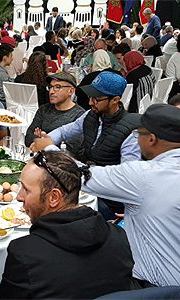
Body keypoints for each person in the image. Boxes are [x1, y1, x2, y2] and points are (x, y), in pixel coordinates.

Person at [81, 104, 180, 296]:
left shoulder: (142, 175)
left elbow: (76, 176)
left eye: (139, 134)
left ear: (151, 139)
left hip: (155, 289)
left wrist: (48, 149)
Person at [0, 151, 133, 299]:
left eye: (26, 190)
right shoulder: (118, 236)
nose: (19, 197)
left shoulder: (25, 254)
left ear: (54, 197)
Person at [30, 71, 140, 219]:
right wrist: (47, 138)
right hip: (85, 184)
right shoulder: (91, 115)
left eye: (96, 98)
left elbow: (125, 181)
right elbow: (64, 131)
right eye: (90, 96)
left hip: (108, 201)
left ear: (115, 100)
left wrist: (49, 147)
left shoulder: (130, 132)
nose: (90, 102)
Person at [25, 72, 85, 155]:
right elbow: (28, 138)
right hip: (39, 159)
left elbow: (71, 150)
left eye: (57, 87)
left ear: (70, 91)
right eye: (50, 87)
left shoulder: (79, 115)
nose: (51, 92)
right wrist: (48, 142)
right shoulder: (44, 109)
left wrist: (41, 140)